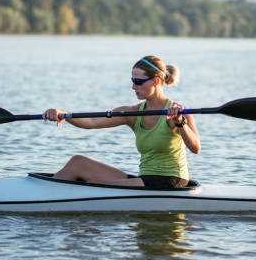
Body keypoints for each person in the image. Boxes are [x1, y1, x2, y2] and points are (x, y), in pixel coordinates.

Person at [43, 55, 200, 189]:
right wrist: (64, 114)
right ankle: (44, 196)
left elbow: (195, 148)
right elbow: (92, 121)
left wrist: (180, 123)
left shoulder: (177, 111)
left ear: (156, 81)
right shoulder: (132, 113)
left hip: (171, 181)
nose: (133, 86)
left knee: (94, 183)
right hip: (146, 178)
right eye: (132, 80)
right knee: (77, 163)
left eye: (138, 81)